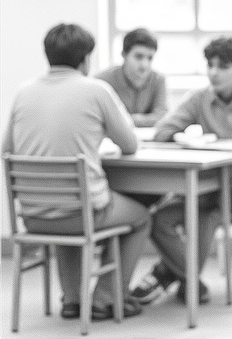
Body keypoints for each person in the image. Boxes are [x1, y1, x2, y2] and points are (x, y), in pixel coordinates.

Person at [2, 23, 149, 321]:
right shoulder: (96, 90)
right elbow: (130, 144)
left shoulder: (23, 92)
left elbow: (6, 150)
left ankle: (71, 300)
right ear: (85, 59)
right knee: (140, 217)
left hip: (32, 216)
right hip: (80, 215)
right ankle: (105, 298)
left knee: (70, 204)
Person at [130, 36, 232, 305]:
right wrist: (188, 141)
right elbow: (163, 131)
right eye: (210, 65)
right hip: (208, 186)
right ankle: (186, 278)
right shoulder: (199, 99)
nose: (213, 73)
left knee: (210, 213)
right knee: (159, 220)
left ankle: (166, 273)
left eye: (222, 66)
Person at [95, 28, 168, 127]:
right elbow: (98, 118)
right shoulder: (102, 81)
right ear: (124, 55)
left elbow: (162, 117)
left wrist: (124, 119)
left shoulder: (158, 80)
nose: (144, 64)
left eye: (150, 58)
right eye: (139, 56)